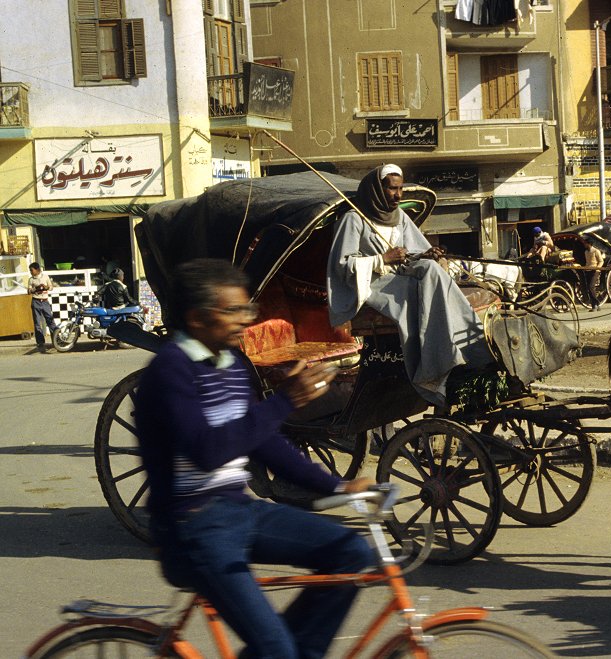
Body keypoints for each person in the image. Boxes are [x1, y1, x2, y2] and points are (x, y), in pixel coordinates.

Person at [135, 258, 374, 659]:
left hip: (239, 510)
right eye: (233, 311)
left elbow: (264, 443)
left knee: (351, 553)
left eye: (247, 309)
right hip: (192, 527)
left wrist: (338, 487)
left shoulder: (232, 364)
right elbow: (208, 451)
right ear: (196, 318)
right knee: (276, 650)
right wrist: (284, 401)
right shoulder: (170, 370)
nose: (244, 321)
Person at [327, 165, 492, 405]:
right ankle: (432, 369)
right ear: (377, 189)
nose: (398, 195)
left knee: (432, 269)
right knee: (413, 297)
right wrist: (381, 259)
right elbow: (342, 265)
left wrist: (426, 254)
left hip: (401, 276)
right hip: (374, 284)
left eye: (401, 188)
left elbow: (412, 253)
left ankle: (473, 349)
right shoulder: (354, 219)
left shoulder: (400, 217)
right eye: (392, 189)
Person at [27, 262, 58, 354]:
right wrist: (34, 289)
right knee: (37, 323)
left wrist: (46, 287)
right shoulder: (31, 280)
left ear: (37, 270)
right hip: (36, 301)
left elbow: (51, 287)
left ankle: (56, 341)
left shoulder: (45, 277)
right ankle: (40, 343)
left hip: (45, 302)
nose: (31, 272)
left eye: (32, 270)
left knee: (50, 321)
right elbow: (28, 291)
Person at [584, 240, 605, 310]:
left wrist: (597, 268)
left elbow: (601, 261)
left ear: (589, 244)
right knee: (588, 289)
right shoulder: (586, 252)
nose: (585, 245)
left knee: (591, 287)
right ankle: (594, 306)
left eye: (586, 243)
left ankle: (597, 303)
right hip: (588, 271)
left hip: (595, 271)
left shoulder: (596, 251)